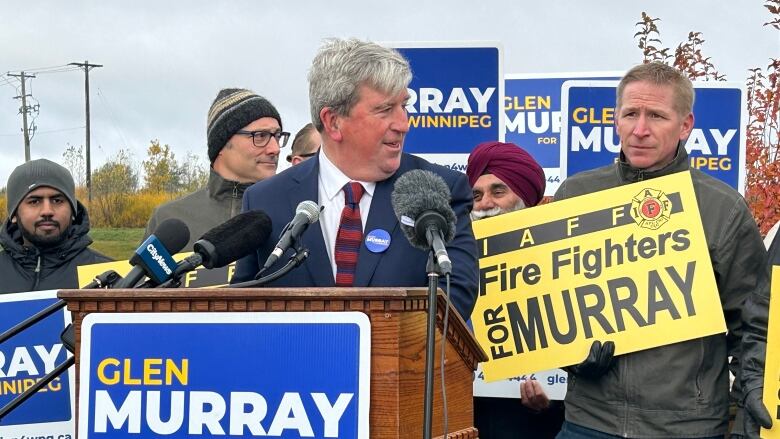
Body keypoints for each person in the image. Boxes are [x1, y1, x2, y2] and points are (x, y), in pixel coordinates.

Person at [553, 62, 771, 438]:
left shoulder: (723, 208)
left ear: (685, 125)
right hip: (589, 421)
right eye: (630, 114)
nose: (640, 130)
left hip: (686, 425)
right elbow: (548, 305)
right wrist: (568, 357)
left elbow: (753, 321)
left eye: (656, 116)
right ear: (616, 120)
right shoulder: (575, 195)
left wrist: (754, 386)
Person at [232, 38, 479, 319]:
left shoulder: (441, 191)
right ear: (333, 122)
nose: (403, 124)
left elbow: (455, 299)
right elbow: (244, 306)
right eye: (385, 110)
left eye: (404, 106)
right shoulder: (265, 200)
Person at [467, 141, 564, 438]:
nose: (485, 204)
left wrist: (551, 397)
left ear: (526, 199)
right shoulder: (451, 260)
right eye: (477, 195)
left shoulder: (563, 260)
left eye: (498, 192)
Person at [145, 88, 288, 248]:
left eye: (277, 136)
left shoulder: (294, 214)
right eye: (261, 136)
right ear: (222, 143)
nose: (275, 148)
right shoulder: (168, 218)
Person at [0, 159, 111, 293]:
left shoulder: (107, 274)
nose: (47, 211)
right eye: (34, 201)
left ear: (73, 211)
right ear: (14, 214)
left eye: (57, 200)